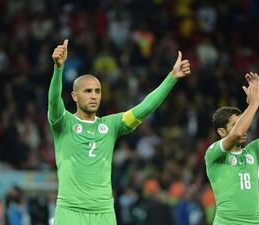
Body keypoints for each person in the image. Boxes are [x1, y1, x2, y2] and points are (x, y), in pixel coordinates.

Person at [48, 39, 191, 225]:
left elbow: (144, 108)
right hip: (70, 210)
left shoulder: (111, 125)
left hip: (104, 211)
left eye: (97, 91)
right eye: (88, 91)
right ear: (74, 96)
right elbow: (53, 101)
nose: (94, 96)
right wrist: (58, 69)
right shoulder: (63, 122)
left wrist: (171, 78)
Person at [205, 73, 259, 225]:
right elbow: (236, 134)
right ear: (222, 131)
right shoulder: (213, 153)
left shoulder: (253, 151)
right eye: (235, 123)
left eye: (243, 121)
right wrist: (253, 104)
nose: (244, 127)